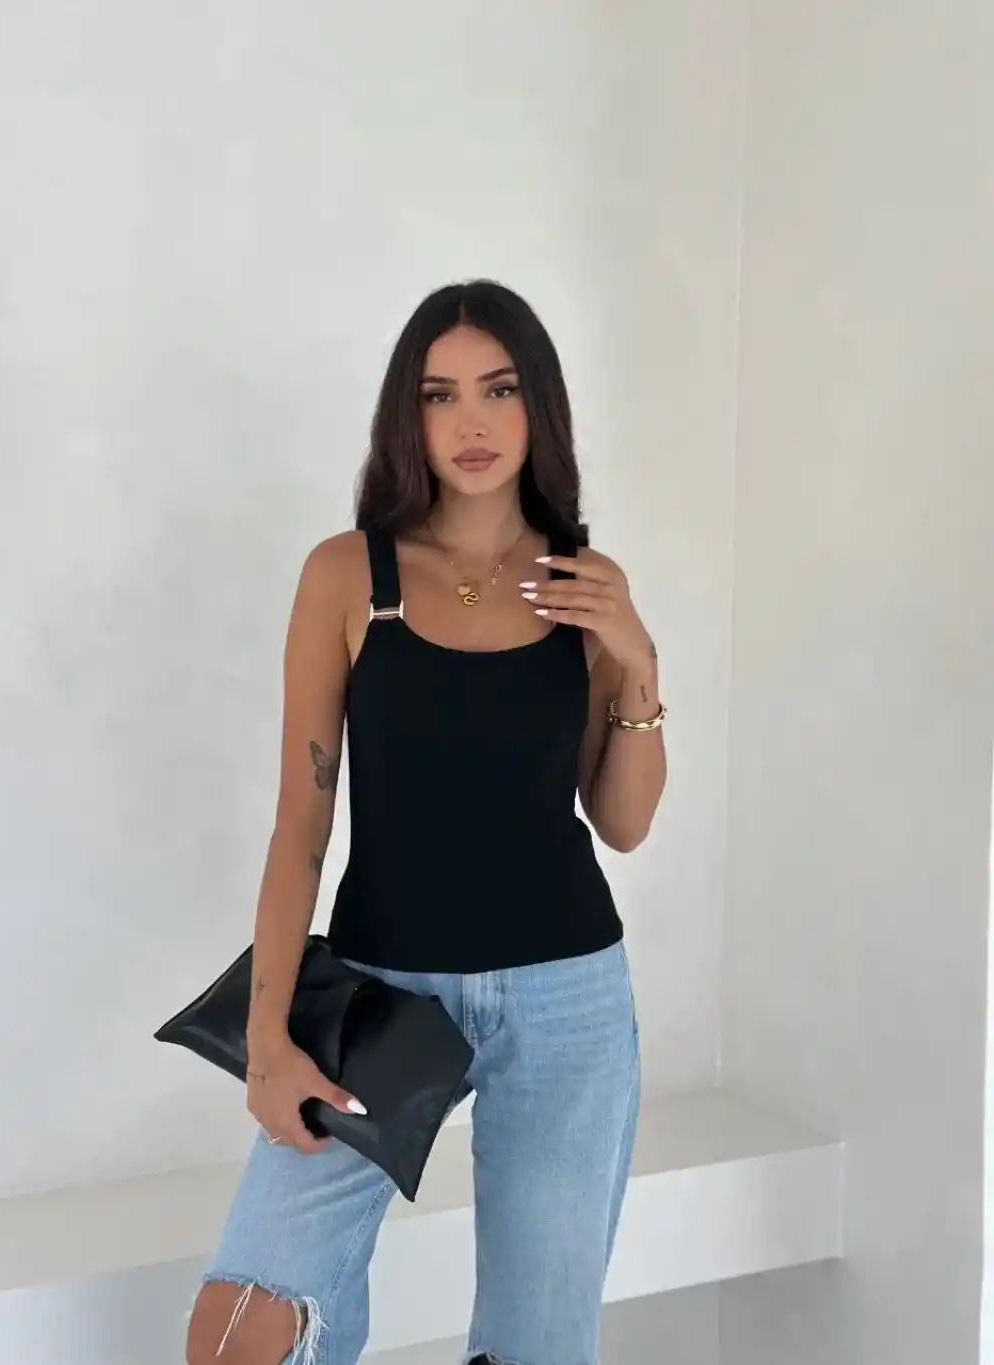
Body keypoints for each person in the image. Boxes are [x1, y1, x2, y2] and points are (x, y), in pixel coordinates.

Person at [185, 281, 668, 1365]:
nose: (471, 421)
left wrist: (638, 659)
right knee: (241, 1330)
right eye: (439, 394)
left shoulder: (580, 586)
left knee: (538, 1345)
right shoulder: (349, 576)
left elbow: (624, 822)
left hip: (566, 1001)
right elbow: (300, 825)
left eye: (499, 389)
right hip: (380, 993)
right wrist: (268, 1043)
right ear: (408, 417)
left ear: (539, 405)